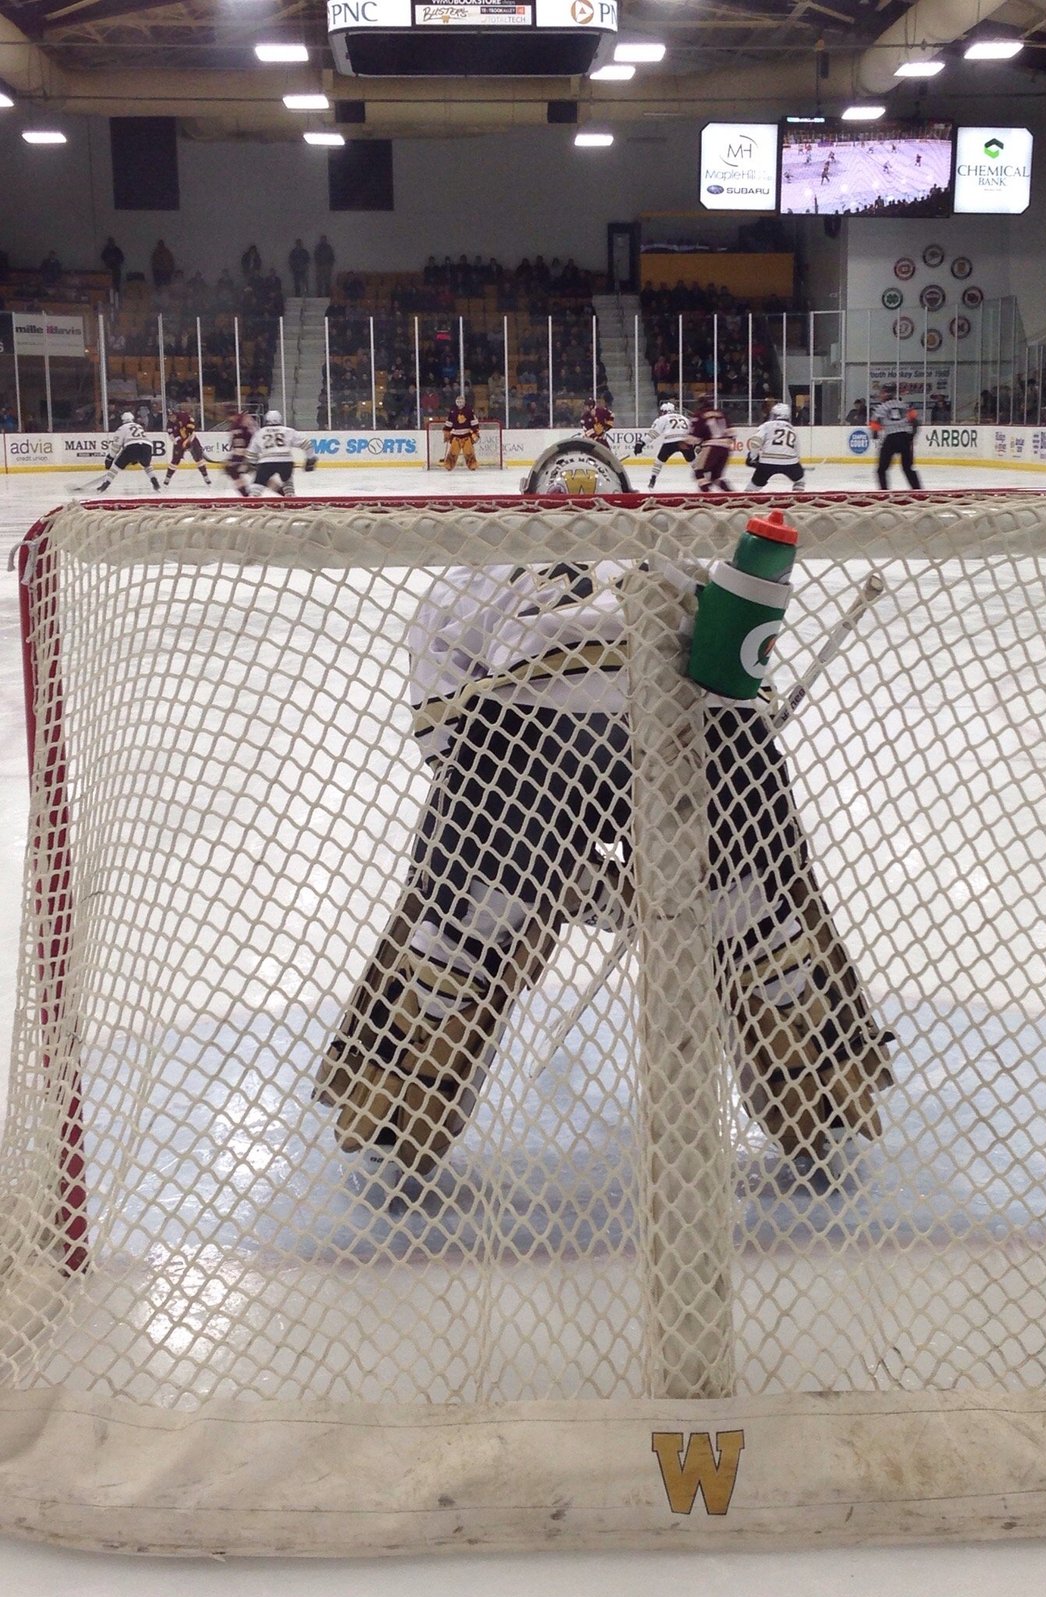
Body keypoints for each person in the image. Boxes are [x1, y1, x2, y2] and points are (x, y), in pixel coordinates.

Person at [314, 557, 894, 1176]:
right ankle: (796, 1015)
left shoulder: (475, 570)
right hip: (695, 729)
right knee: (757, 930)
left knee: (461, 938)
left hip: (523, 739)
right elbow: (739, 676)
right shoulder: (678, 561)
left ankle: (427, 1011)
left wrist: (551, 879)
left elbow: (443, 735)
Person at [243, 409, 316, 496]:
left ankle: (253, 499)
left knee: (258, 483)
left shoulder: (259, 433)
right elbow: (306, 444)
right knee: (287, 480)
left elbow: (251, 453)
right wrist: (310, 459)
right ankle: (291, 497)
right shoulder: (289, 431)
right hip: (286, 461)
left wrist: (253, 464)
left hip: (266, 462)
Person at [869, 385, 922, 490]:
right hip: (905, 437)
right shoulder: (905, 405)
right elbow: (915, 422)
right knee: (908, 468)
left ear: (885, 394)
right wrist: (911, 437)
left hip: (891, 438)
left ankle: (884, 492)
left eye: (881, 393)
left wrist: (875, 436)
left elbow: (875, 427)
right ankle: (918, 490)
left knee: (881, 469)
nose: (880, 396)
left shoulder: (880, 408)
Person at [744, 403, 807, 492]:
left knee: (754, 486)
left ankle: (746, 499)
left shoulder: (766, 425)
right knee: (800, 480)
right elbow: (797, 449)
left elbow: (755, 441)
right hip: (790, 462)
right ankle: (797, 498)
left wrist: (752, 457)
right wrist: (796, 464)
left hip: (767, 461)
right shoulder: (792, 429)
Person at [95, 412, 160, 494]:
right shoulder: (139, 426)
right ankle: (155, 483)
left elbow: (116, 446)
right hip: (147, 446)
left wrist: (110, 457)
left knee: (116, 467)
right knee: (146, 465)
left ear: (122, 420)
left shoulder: (121, 428)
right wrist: (136, 458)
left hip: (132, 446)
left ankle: (105, 485)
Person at [641, 399, 696, 490]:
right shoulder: (684, 417)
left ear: (664, 411)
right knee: (693, 461)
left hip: (671, 441)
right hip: (684, 441)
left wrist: (642, 443)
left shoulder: (663, 418)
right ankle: (701, 477)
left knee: (659, 461)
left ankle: (653, 480)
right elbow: (692, 430)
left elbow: (654, 433)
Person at [685, 395, 735, 493]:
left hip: (711, 446)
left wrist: (686, 442)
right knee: (716, 477)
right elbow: (732, 432)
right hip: (725, 448)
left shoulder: (699, 414)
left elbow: (695, 436)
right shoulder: (721, 413)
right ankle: (731, 494)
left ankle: (706, 494)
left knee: (698, 472)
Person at [162, 407, 212, 489]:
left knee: (199, 459)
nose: (172, 418)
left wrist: (188, 441)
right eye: (169, 417)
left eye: (173, 416)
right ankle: (166, 481)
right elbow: (172, 438)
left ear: (176, 414)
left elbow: (192, 428)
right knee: (175, 461)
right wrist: (180, 443)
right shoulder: (169, 425)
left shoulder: (183, 416)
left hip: (191, 438)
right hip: (179, 443)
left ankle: (206, 478)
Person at [223, 403, 258, 496]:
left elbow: (252, 438)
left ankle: (245, 495)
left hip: (249, 455)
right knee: (231, 469)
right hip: (245, 455)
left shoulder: (242, 422)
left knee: (262, 475)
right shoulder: (238, 423)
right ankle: (245, 495)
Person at [441, 395, 481, 471]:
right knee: (453, 452)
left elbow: (473, 421)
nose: (459, 403)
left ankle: (472, 465)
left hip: (467, 435)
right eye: (458, 402)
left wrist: (475, 431)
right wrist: (447, 431)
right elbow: (449, 422)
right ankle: (449, 465)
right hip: (456, 435)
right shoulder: (453, 410)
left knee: (469, 452)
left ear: (464, 402)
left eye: (461, 402)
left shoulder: (469, 410)